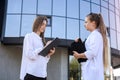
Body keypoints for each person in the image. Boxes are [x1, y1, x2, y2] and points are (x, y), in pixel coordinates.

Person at [73, 13, 108, 80]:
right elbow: (89, 50)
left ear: (93, 23)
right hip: (92, 72)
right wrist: (80, 44)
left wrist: (79, 55)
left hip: (93, 73)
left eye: (86, 22)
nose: (84, 24)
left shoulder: (96, 35)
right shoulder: (93, 35)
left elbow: (92, 52)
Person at [20, 16, 55, 80]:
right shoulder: (29, 36)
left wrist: (48, 55)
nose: (44, 26)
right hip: (32, 75)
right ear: (37, 24)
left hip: (43, 75)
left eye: (45, 25)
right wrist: (43, 48)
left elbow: (42, 60)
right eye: (42, 24)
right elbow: (30, 55)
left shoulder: (42, 41)